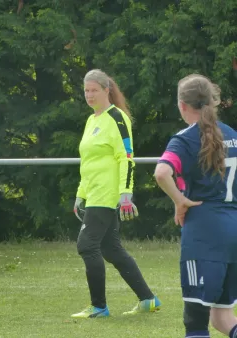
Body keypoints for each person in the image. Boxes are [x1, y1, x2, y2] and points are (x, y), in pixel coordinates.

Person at [71, 69, 161, 318]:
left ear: (106, 90)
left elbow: (127, 157)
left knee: (86, 245)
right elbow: (87, 162)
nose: (89, 95)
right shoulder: (92, 120)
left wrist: (125, 194)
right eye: (86, 90)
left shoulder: (117, 118)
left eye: (94, 90)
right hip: (93, 195)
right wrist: (81, 195)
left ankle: (99, 307)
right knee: (110, 249)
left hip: (108, 195)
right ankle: (148, 299)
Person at [154, 74, 237, 338]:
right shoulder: (233, 135)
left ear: (182, 105)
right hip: (233, 231)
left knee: (196, 322)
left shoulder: (186, 138)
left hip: (205, 235)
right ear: (213, 101)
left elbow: (161, 173)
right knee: (223, 317)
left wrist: (180, 200)